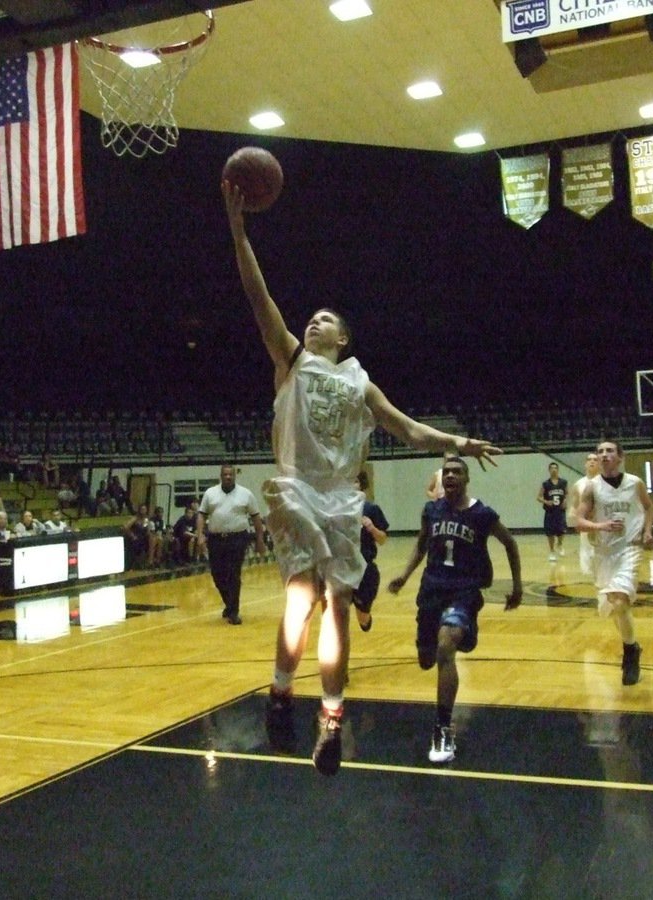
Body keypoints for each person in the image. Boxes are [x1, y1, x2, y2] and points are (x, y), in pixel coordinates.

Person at [224, 179, 503, 775]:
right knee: (301, 599)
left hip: (341, 502)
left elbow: (408, 431)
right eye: (311, 319)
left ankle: (330, 718)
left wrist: (458, 440)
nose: (313, 323)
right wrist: (240, 229)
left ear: (343, 338)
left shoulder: (359, 382)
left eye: (324, 320)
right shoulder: (290, 359)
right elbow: (257, 295)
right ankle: (280, 691)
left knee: (340, 605)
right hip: (298, 490)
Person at [387, 456, 523, 763]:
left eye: (457, 472)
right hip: (431, 590)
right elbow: (421, 545)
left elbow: (511, 543)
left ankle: (443, 729)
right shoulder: (431, 511)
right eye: (446, 472)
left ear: (467, 478)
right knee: (427, 658)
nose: (450, 475)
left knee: (446, 647)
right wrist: (405, 575)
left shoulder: (482, 514)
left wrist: (517, 587)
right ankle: (448, 641)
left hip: (464, 592)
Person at [574, 440, 653, 687]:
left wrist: (648, 530)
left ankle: (630, 654)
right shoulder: (591, 488)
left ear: (620, 457)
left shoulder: (635, 483)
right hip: (604, 552)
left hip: (629, 548)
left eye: (609, 451)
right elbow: (578, 521)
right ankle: (633, 644)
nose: (604, 454)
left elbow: (649, 507)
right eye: (600, 452)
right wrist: (601, 526)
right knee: (613, 608)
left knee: (620, 601)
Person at [196, 465, 266, 626]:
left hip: (238, 539)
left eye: (231, 474)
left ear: (235, 476)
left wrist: (260, 540)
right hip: (216, 539)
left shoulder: (246, 494)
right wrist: (200, 535)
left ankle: (233, 612)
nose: (228, 477)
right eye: (225, 474)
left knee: (234, 574)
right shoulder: (210, 493)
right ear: (220, 476)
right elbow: (201, 515)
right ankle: (229, 603)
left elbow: (256, 518)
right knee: (217, 574)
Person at [353, 469, 389, 633]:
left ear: (361, 484)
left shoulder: (371, 509)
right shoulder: (337, 510)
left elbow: (382, 539)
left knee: (363, 619)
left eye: (355, 481)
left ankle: (363, 612)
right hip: (342, 567)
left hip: (365, 568)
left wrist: (372, 528)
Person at [567, 453, 601, 576]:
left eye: (595, 460)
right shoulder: (579, 484)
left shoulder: (606, 483)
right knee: (587, 554)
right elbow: (574, 505)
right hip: (586, 525)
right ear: (585, 464)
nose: (592, 462)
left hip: (602, 524)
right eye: (589, 460)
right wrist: (573, 517)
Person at [537, 461, 568, 562]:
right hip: (550, 512)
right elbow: (538, 497)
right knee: (550, 533)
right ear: (549, 470)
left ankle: (560, 545)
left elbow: (567, 494)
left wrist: (565, 501)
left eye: (555, 468)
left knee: (562, 530)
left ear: (558, 470)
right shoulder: (546, 484)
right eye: (552, 468)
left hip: (560, 511)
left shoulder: (563, 482)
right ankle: (552, 551)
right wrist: (546, 501)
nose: (554, 470)